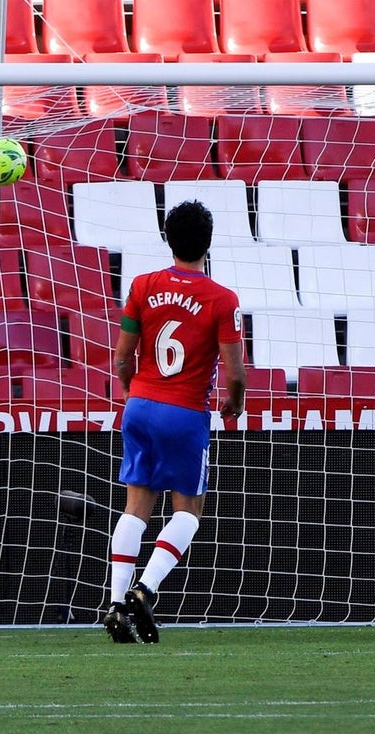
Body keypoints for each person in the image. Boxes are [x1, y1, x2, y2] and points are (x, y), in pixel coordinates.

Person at [104, 200, 246, 644]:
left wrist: (133, 393)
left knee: (136, 506)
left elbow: (122, 357)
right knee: (189, 510)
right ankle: (145, 590)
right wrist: (233, 403)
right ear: (209, 242)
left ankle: (114, 603)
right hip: (185, 412)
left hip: (141, 405)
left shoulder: (143, 286)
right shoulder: (222, 299)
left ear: (168, 238)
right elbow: (235, 372)